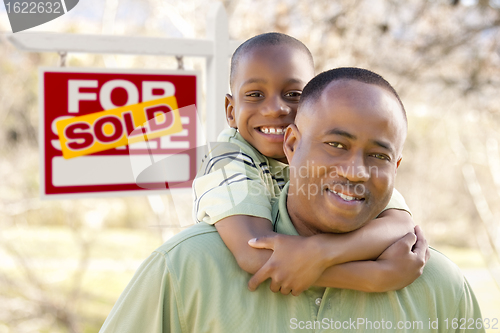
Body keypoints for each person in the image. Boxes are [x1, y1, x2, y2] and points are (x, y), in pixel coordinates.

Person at [99, 68, 484, 333]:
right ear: (292, 144)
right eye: (336, 145)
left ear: (396, 166)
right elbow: (255, 256)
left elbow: (400, 220)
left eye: (378, 156)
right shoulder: (186, 269)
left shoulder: (437, 284)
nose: (355, 171)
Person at [193, 32, 421, 295]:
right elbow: (256, 254)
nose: (275, 109)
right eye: (255, 94)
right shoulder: (225, 159)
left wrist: (321, 252)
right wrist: (376, 277)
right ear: (231, 111)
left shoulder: (329, 154)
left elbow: (400, 224)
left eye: (293, 94)